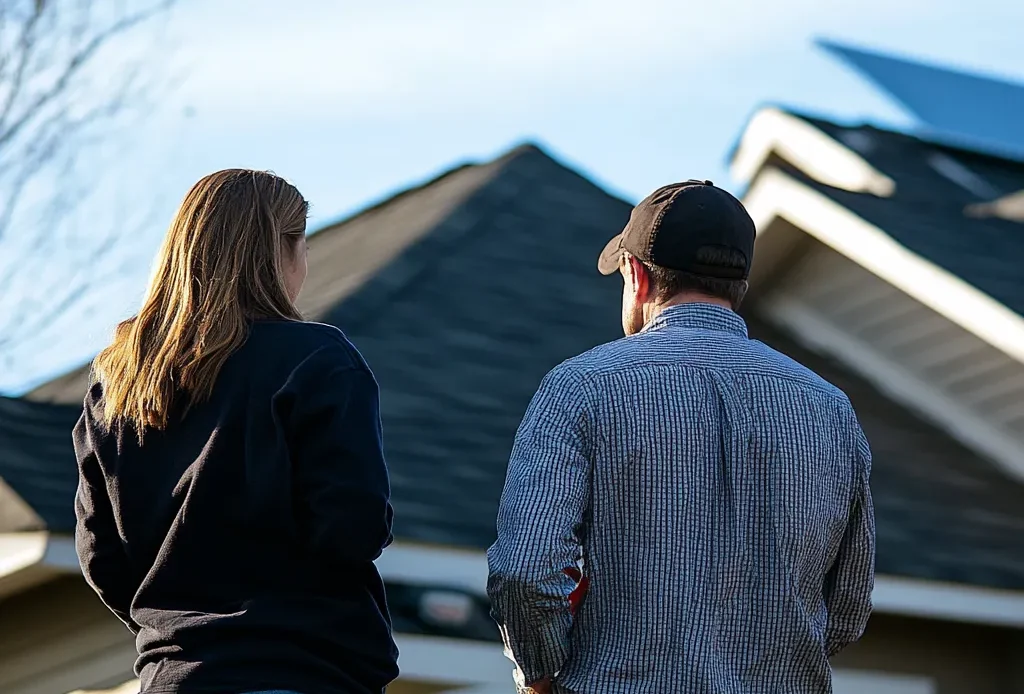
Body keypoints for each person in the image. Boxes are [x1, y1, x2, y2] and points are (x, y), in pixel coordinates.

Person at [487, 180, 875, 694]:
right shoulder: (830, 409)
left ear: (636, 275)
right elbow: (846, 608)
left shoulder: (584, 386)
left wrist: (539, 674)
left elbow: (525, 570)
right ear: (738, 285)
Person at [73, 170, 399, 694]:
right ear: (282, 250)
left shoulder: (115, 387)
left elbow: (102, 559)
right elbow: (352, 523)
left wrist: (176, 621)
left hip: (173, 676)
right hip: (301, 671)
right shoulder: (316, 360)